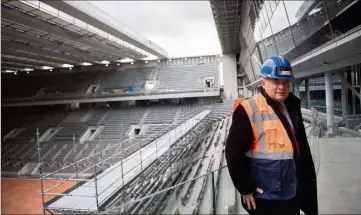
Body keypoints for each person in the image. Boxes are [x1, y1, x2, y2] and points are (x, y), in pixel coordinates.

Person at [225, 56, 318, 215]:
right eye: (275, 82)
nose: (281, 87)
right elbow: (233, 153)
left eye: (285, 83)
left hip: (291, 192)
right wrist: (245, 187)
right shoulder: (249, 109)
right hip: (264, 197)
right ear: (263, 83)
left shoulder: (291, 106)